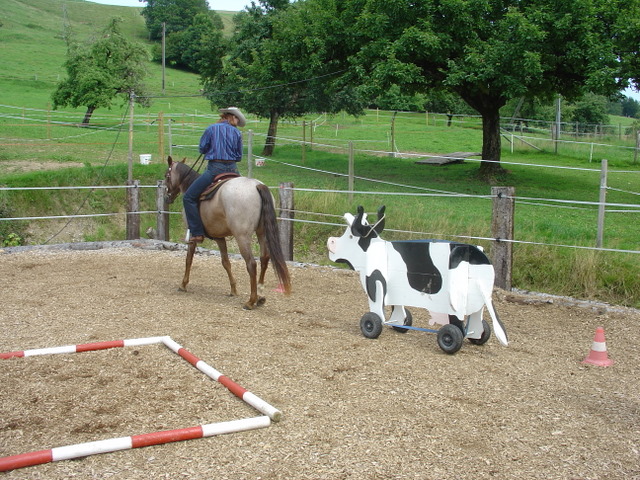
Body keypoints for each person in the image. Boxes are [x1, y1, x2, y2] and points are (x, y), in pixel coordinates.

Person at [183, 107, 247, 244]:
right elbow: (239, 156)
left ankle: (197, 233)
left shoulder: (211, 129)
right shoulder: (237, 133)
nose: (237, 121)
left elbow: (202, 148)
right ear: (230, 116)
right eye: (237, 118)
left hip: (215, 169)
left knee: (188, 197)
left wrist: (211, 149)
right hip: (233, 169)